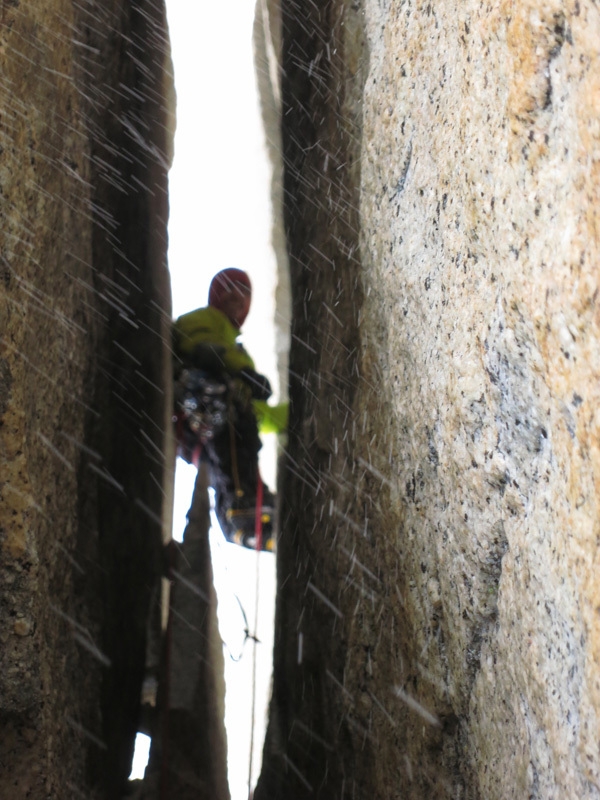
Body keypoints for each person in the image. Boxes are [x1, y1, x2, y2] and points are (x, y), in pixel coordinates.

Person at [172, 268, 286, 550]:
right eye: (231, 289)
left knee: (241, 430)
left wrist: (296, 418)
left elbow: (258, 415)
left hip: (209, 426)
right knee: (226, 401)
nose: (238, 297)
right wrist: (241, 371)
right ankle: (241, 505)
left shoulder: (237, 351)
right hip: (193, 408)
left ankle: (248, 509)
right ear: (217, 296)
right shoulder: (203, 319)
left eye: (244, 294)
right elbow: (198, 346)